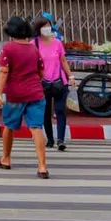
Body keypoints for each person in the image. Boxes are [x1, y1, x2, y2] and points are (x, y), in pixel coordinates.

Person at [0, 15, 48, 178]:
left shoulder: (8, 48)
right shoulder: (33, 48)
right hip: (36, 93)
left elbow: (3, 71)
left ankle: (6, 159)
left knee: (9, 127)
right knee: (36, 128)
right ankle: (42, 166)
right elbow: (41, 72)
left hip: (15, 95)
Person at [32, 15, 75, 152]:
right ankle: (50, 139)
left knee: (60, 110)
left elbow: (63, 61)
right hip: (42, 83)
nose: (46, 28)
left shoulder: (57, 43)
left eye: (48, 25)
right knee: (45, 112)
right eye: (43, 26)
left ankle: (61, 140)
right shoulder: (34, 44)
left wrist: (71, 76)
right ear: (38, 29)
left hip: (59, 81)